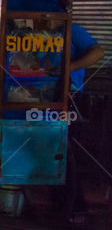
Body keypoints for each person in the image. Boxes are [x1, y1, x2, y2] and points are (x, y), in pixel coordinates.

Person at [47, 20, 104, 224]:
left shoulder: (72, 30)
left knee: (65, 152)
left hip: (69, 98)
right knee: (51, 151)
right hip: (45, 97)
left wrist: (69, 67)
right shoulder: (35, 33)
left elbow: (98, 53)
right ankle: (59, 208)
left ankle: (76, 210)